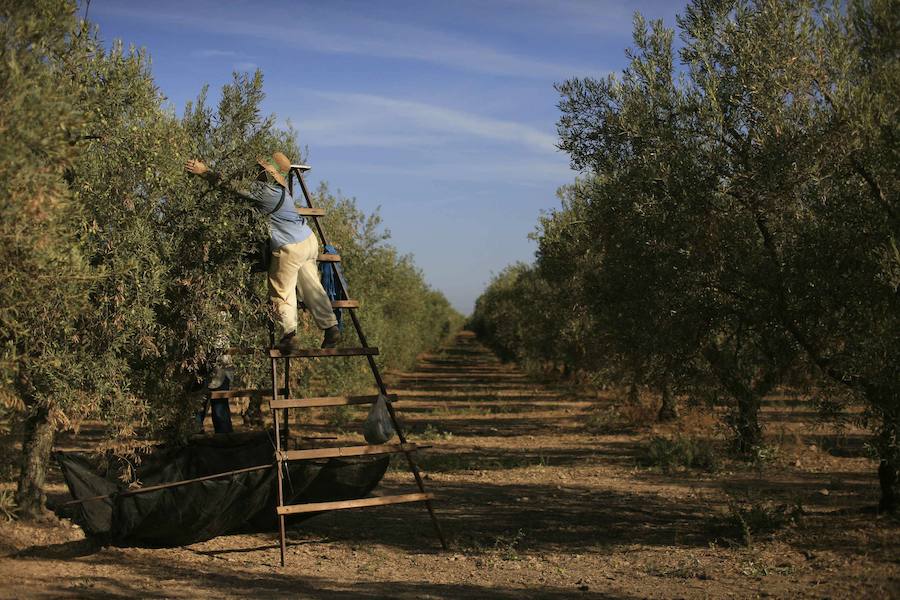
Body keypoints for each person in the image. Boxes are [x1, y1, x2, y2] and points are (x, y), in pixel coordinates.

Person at [185, 152, 341, 352]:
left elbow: (230, 186)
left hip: (289, 245)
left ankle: (289, 335)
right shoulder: (283, 189)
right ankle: (330, 327)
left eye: (258, 170)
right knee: (311, 286)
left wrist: (204, 171)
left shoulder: (263, 191)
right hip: (308, 240)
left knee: (281, 290)